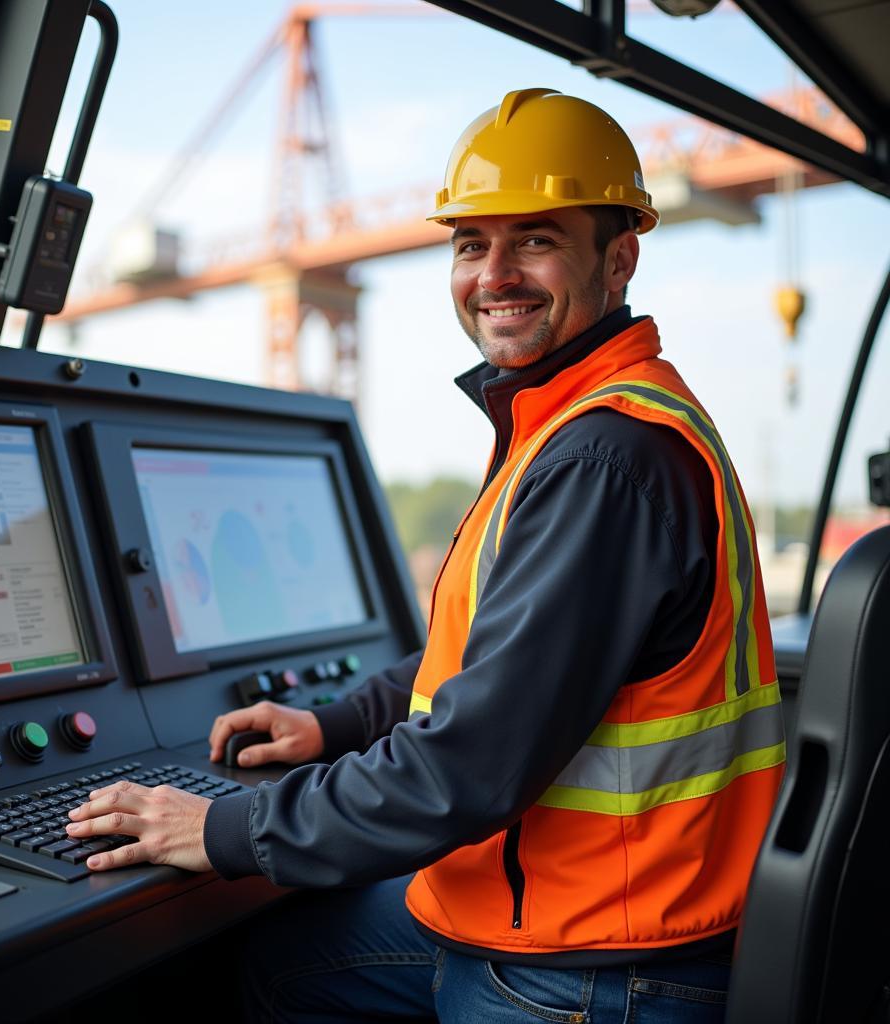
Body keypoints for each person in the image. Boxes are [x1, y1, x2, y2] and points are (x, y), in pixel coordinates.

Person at [66, 89, 786, 1022]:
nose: (496, 274)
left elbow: (465, 767)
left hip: (597, 968)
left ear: (619, 259)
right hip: (560, 911)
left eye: (535, 239)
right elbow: (498, 649)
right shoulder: (571, 421)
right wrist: (337, 722)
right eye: (471, 243)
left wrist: (222, 825)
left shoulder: (605, 456)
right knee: (279, 962)